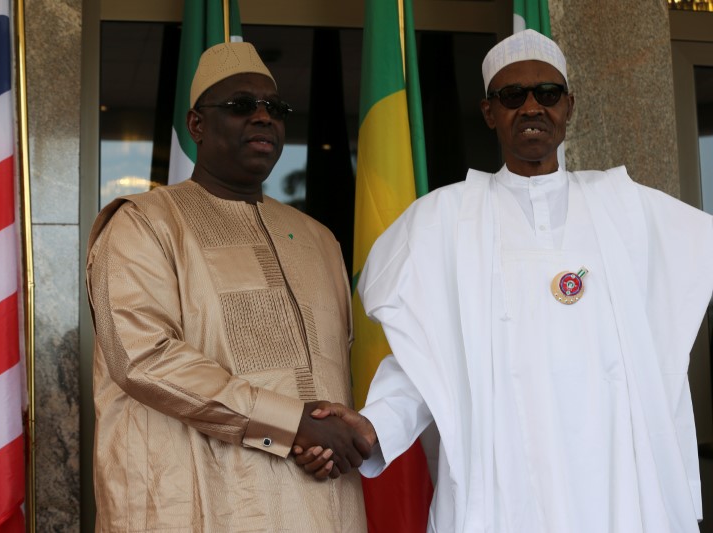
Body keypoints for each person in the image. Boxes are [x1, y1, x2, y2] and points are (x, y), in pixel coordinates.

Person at [297, 29, 713, 532]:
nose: (532, 107)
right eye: (513, 96)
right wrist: (374, 424)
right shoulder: (443, 221)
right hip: (504, 480)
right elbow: (425, 362)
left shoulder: (627, 208)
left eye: (548, 94)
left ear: (569, 107)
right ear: (490, 111)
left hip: (619, 481)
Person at [86, 41, 368, 532]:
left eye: (275, 109)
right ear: (197, 125)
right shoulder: (144, 224)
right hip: (196, 506)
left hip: (320, 508)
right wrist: (293, 424)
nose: (263, 118)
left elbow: (333, 379)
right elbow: (144, 358)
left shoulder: (320, 241)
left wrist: (327, 438)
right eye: (241, 106)